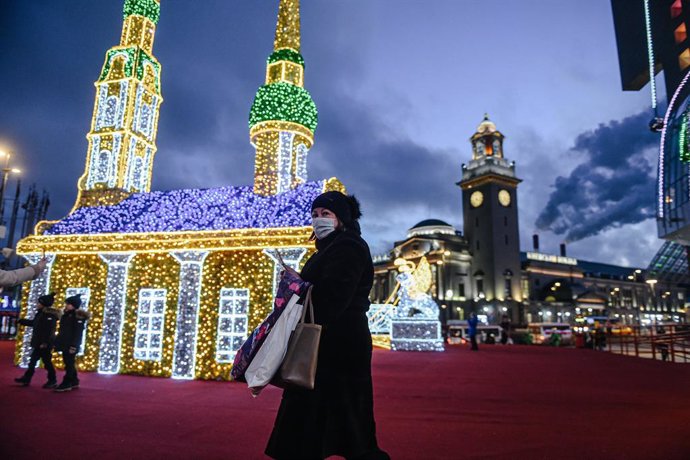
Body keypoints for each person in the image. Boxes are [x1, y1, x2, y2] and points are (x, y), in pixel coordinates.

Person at [265, 191, 389, 460]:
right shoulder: (331, 248)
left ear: (341, 219)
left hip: (337, 346)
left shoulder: (348, 246)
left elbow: (333, 298)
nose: (318, 220)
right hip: (327, 343)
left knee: (335, 415)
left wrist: (298, 285)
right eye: (315, 215)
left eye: (326, 214)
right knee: (339, 418)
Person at [14, 292, 61, 388]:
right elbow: (34, 324)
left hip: (44, 344)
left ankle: (52, 380)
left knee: (46, 362)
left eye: (39, 303)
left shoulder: (48, 316)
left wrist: (44, 342)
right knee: (34, 361)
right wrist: (21, 321)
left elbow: (48, 331)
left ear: (44, 304)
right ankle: (27, 378)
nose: (37, 304)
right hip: (39, 342)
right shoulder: (41, 314)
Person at [53, 294, 90, 392]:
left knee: (69, 363)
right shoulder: (66, 315)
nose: (66, 305)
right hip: (65, 343)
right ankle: (74, 380)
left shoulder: (77, 317)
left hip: (70, 344)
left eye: (68, 304)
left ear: (74, 305)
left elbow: (78, 334)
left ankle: (67, 382)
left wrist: (74, 346)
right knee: (69, 362)